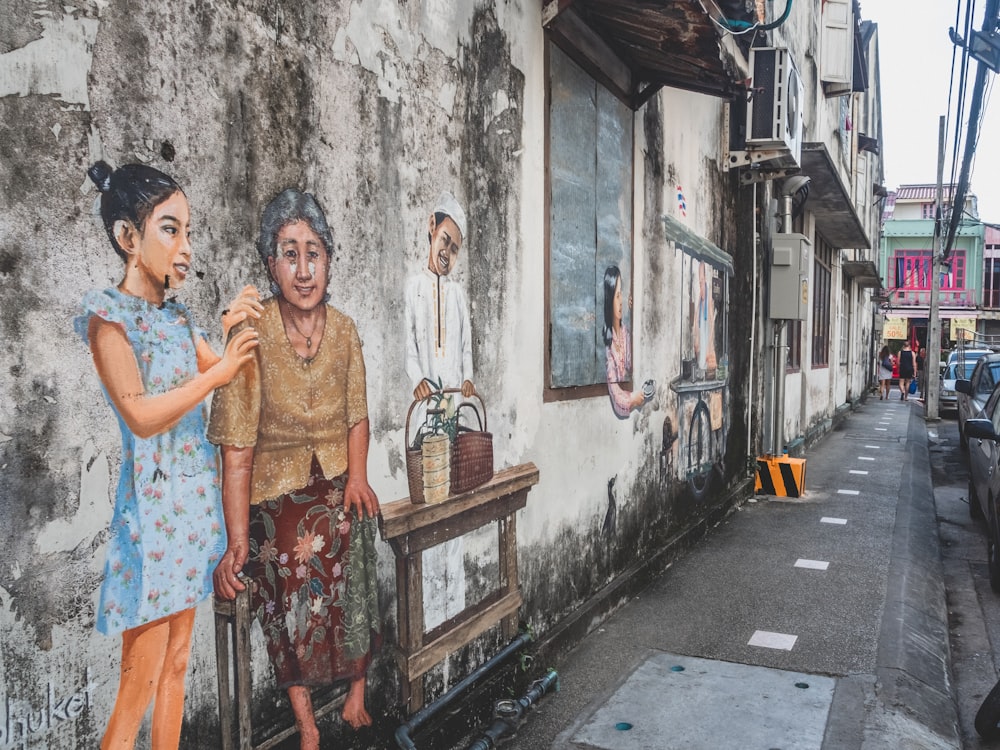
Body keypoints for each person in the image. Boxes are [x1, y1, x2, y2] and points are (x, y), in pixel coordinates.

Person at [75, 161, 260, 749]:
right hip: (153, 520)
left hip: (191, 510)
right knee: (141, 675)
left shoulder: (178, 317)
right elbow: (141, 413)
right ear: (129, 238)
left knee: (178, 662)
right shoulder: (110, 319)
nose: (185, 248)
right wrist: (219, 373)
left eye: (188, 232)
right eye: (170, 230)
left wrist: (232, 330)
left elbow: (221, 371)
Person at [209, 188, 380, 748]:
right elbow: (235, 449)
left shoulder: (346, 331)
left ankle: (356, 688)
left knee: (356, 528)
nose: (303, 270)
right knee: (284, 553)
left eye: (314, 253)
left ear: (329, 260)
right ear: (270, 263)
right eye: (289, 253)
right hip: (274, 489)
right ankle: (306, 720)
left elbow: (358, 415)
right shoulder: (250, 337)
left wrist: (356, 476)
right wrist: (236, 539)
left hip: (334, 475)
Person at [403, 191, 472, 628]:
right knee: (430, 516)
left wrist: (466, 382)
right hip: (428, 414)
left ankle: (457, 617)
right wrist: (418, 381)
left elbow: (465, 348)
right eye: (444, 240)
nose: (447, 252)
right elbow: (410, 348)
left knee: (458, 513)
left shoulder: (460, 296)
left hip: (456, 414)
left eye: (454, 248)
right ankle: (431, 623)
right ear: (432, 227)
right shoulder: (413, 288)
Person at [603, 264, 652, 418]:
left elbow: (632, 366)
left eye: (621, 294)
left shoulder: (626, 333)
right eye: (617, 296)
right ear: (609, 300)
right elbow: (616, 393)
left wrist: (633, 313)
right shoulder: (607, 343)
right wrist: (633, 400)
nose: (621, 301)